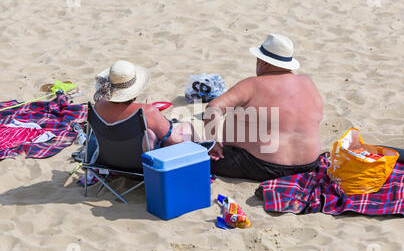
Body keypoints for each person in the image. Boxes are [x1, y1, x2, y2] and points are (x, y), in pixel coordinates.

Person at [204, 34, 323, 181]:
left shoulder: (252, 84)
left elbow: (213, 107)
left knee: (196, 154)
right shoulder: (307, 82)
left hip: (263, 165)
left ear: (263, 62)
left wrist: (212, 142)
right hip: (309, 165)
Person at [86, 60, 194, 163]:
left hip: (108, 162)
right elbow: (175, 142)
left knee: (149, 134)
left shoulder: (98, 107)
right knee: (186, 127)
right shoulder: (146, 111)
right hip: (143, 168)